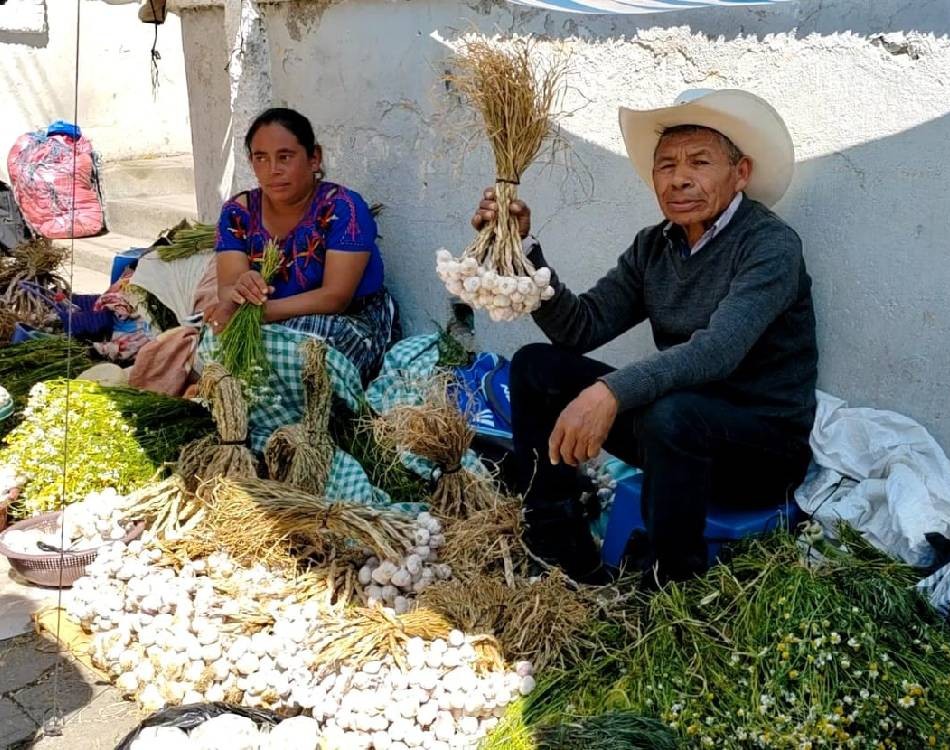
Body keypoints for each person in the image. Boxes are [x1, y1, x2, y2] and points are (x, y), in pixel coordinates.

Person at [472, 89, 818, 586]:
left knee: (671, 413)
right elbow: (581, 326)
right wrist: (521, 249)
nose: (680, 178)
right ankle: (556, 544)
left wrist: (609, 392)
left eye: (700, 162)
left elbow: (716, 351)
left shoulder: (770, 245)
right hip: (673, 437)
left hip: (759, 453)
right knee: (536, 366)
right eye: (666, 165)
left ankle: (670, 583)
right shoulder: (655, 246)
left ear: (740, 173)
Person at [205, 107, 396, 382]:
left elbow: (335, 298)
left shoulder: (342, 208)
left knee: (305, 356)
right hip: (267, 319)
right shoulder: (238, 213)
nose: (273, 170)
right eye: (261, 158)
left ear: (314, 158)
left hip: (346, 321)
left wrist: (257, 312)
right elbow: (228, 288)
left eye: (285, 157)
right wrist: (241, 288)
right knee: (211, 342)